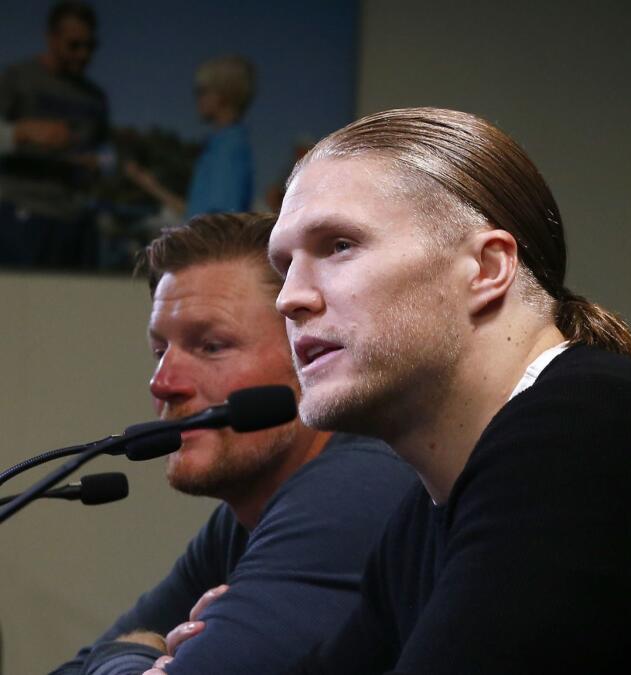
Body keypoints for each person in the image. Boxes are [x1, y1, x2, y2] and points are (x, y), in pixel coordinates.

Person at [254, 107, 631, 674]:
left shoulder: (589, 434)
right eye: (283, 266)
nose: (289, 298)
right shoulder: (424, 516)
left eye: (338, 246)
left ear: (486, 268)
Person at [52, 213, 418, 675]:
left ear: (309, 355)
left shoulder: (357, 485)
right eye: (159, 351)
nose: (163, 383)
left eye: (211, 346)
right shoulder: (236, 522)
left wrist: (132, 652)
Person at [0, 0, 109, 268]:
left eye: (90, 46)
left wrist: (100, 162)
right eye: (74, 45)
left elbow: (108, 153)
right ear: (51, 38)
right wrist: (21, 133)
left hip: (76, 217)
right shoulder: (18, 78)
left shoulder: (95, 98)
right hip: (21, 212)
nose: (83, 54)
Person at [125, 56, 256, 219]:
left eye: (201, 91)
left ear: (221, 95)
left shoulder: (228, 147)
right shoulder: (220, 145)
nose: (197, 98)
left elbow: (220, 222)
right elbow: (195, 216)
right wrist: (148, 184)